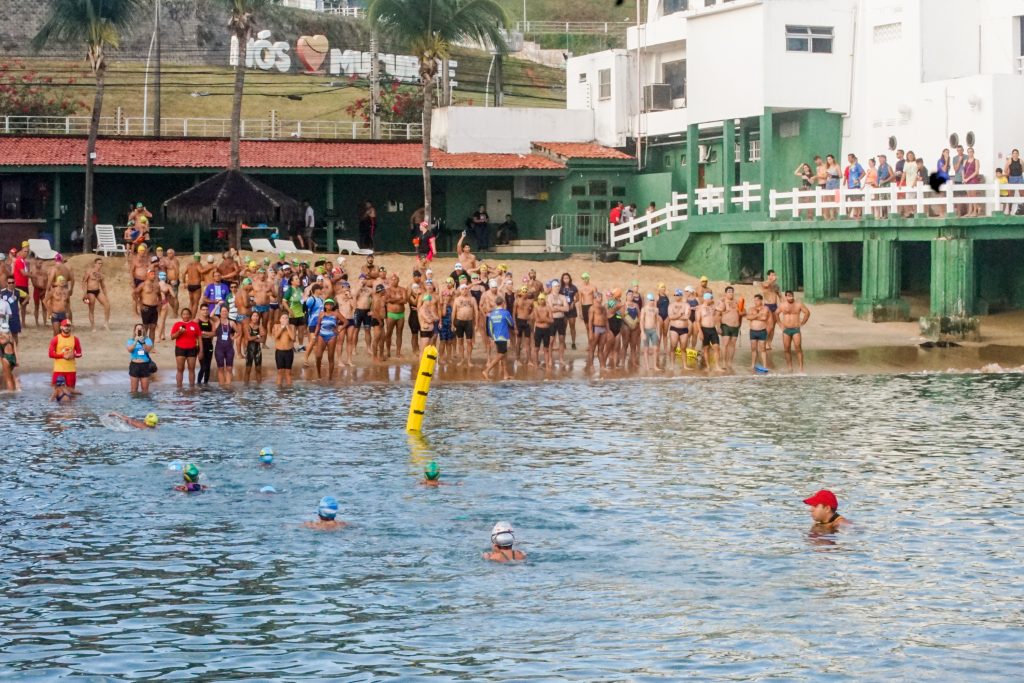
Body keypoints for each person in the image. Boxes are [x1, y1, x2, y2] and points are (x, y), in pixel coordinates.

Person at [776, 290, 810, 373]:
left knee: (798, 347)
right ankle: (789, 367)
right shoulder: (783, 305)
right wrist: (780, 324)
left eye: (791, 296)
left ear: (793, 296)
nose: (790, 297)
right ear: (786, 296)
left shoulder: (798, 304)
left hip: (795, 329)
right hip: (786, 329)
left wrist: (802, 323)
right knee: (787, 349)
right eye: (788, 296)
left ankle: (801, 368)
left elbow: (807, 312)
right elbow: (776, 313)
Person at [482, 295, 513, 380]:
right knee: (501, 355)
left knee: (504, 355)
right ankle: (486, 370)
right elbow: (511, 323)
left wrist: (492, 337)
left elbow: (490, 327)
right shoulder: (505, 312)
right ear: (503, 303)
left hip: (495, 336)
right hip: (503, 336)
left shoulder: (492, 314)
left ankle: (505, 374)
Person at [171, 308, 201, 388]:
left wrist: (201, 350)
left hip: (192, 349)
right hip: (180, 349)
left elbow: (199, 338)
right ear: (181, 315)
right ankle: (179, 388)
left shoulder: (195, 325)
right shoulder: (177, 324)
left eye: (187, 314)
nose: (186, 315)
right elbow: (172, 337)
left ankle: (192, 388)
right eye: (184, 314)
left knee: (191, 369)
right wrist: (179, 332)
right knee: (180, 369)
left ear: (190, 315)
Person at [49, 319, 81, 389]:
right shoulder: (56, 339)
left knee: (71, 392)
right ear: (61, 327)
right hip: (58, 370)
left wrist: (73, 355)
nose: (67, 328)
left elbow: (79, 353)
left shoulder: (75, 339)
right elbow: (50, 354)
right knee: (57, 392)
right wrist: (62, 355)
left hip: (71, 370)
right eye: (65, 326)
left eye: (68, 326)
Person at [126, 322, 155, 393]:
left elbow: (147, 350)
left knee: (145, 390)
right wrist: (135, 341)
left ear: (143, 331)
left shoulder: (148, 340)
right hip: (134, 365)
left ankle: (144, 403)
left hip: (144, 365)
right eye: (137, 329)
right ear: (135, 331)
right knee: (133, 390)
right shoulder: (131, 340)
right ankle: (134, 404)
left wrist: (143, 343)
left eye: (141, 329)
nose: (139, 330)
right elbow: (130, 350)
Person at [745, 294, 770, 372]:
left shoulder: (765, 308)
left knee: (763, 349)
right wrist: (758, 315)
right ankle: (752, 365)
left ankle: (765, 365)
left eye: (757, 300)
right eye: (754, 300)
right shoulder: (751, 308)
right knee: (753, 349)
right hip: (753, 331)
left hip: (762, 330)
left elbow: (764, 318)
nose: (755, 302)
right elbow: (748, 317)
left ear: (761, 300)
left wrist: (754, 316)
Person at [214, 305, 237, 385]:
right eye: (222, 311)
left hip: (229, 348)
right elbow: (210, 315)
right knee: (220, 368)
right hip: (219, 348)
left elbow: (239, 332)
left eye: (225, 311)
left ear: (228, 312)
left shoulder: (231, 322)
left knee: (229, 368)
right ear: (220, 313)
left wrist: (234, 337)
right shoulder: (217, 322)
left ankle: (228, 385)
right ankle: (221, 386)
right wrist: (217, 306)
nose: (224, 313)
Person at [272, 311, 296, 386]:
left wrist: (287, 327)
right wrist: (282, 328)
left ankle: (289, 390)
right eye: (283, 318)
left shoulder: (292, 326)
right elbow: (275, 337)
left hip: (289, 352)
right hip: (279, 352)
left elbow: (293, 338)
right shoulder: (276, 326)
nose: (285, 319)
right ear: (280, 319)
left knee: (288, 373)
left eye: (286, 318)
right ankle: (279, 391)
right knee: (280, 372)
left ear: (288, 319)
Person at [241, 311, 265, 383]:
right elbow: (248, 338)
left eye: (257, 316)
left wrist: (253, 338)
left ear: (258, 318)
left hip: (258, 350)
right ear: (251, 317)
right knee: (248, 369)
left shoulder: (260, 327)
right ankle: (246, 386)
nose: (255, 317)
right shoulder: (247, 326)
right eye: (254, 316)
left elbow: (263, 340)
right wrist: (258, 336)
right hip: (249, 350)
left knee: (258, 369)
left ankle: (259, 387)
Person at [196, 305, 214, 385]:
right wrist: (206, 334)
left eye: (207, 309)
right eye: (203, 310)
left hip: (209, 346)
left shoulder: (211, 321)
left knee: (208, 367)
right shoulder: (196, 321)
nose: (205, 311)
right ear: (200, 311)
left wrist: (204, 333)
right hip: (200, 346)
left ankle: (206, 386)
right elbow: (196, 334)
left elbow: (213, 333)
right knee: (203, 367)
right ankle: (199, 384)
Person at [0, 323, 18, 390]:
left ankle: (10, 394)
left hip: (6, 358)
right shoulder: (12, 338)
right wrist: (17, 361)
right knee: (10, 375)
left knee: (8, 379)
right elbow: (15, 351)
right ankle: (15, 389)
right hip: (13, 358)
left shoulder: (1, 339)